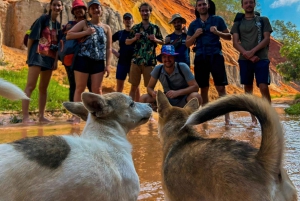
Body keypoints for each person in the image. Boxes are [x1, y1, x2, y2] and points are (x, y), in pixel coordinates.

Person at [186, 0, 231, 125]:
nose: (202, 6)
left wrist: (217, 32)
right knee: (203, 88)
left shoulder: (218, 20)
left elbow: (229, 36)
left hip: (216, 56)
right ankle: (205, 119)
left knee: (221, 87)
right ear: (196, 7)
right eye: (199, 5)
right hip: (200, 57)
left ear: (208, 5)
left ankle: (227, 119)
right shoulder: (194, 24)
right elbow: (187, 43)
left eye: (204, 4)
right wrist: (195, 35)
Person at [66, 0, 112, 124]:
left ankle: (99, 115)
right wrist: (85, 32)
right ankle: (76, 116)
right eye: (93, 8)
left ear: (101, 10)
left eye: (98, 8)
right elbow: (69, 35)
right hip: (83, 59)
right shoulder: (84, 23)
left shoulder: (106, 28)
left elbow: (109, 48)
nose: (96, 10)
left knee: (97, 89)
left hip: (98, 61)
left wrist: (107, 65)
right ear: (89, 11)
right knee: (79, 88)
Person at [231, 0, 273, 124]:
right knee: (248, 88)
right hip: (245, 60)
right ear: (242, 6)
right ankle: (253, 118)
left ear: (254, 4)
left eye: (251, 2)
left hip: (261, 58)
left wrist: (252, 52)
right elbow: (235, 42)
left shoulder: (263, 20)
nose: (248, 5)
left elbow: (266, 39)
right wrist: (247, 55)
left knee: (263, 86)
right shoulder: (238, 23)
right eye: (246, 3)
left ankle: (268, 115)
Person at [22, 0, 63, 124]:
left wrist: (55, 61)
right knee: (30, 86)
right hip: (37, 55)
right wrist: (29, 55)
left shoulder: (58, 25)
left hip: (49, 58)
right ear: (50, 6)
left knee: (43, 88)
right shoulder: (43, 19)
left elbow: (57, 44)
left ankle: (41, 116)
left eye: (59, 5)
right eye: (54, 4)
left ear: (62, 8)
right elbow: (31, 37)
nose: (56, 7)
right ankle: (25, 118)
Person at [125, 2, 164, 101]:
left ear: (150, 12)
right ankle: (130, 110)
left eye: (147, 10)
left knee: (150, 89)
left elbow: (163, 42)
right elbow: (127, 42)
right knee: (133, 87)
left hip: (149, 62)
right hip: (136, 61)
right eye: (143, 11)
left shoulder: (155, 28)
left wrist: (155, 39)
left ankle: (149, 112)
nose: (145, 13)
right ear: (140, 12)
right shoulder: (136, 28)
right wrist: (134, 38)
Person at [61, 0, 92, 122]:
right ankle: (75, 114)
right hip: (72, 59)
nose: (79, 11)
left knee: (90, 85)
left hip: (87, 58)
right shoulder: (70, 25)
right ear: (73, 11)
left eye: (81, 8)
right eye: (76, 9)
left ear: (85, 10)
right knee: (74, 86)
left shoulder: (91, 23)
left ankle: (91, 113)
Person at [112, 13, 140, 101]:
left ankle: (137, 105)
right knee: (119, 86)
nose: (127, 20)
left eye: (129, 19)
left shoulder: (137, 34)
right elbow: (108, 42)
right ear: (123, 21)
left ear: (133, 21)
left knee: (136, 87)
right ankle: (117, 104)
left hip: (134, 63)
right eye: (126, 19)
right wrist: (114, 52)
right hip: (122, 62)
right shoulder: (120, 34)